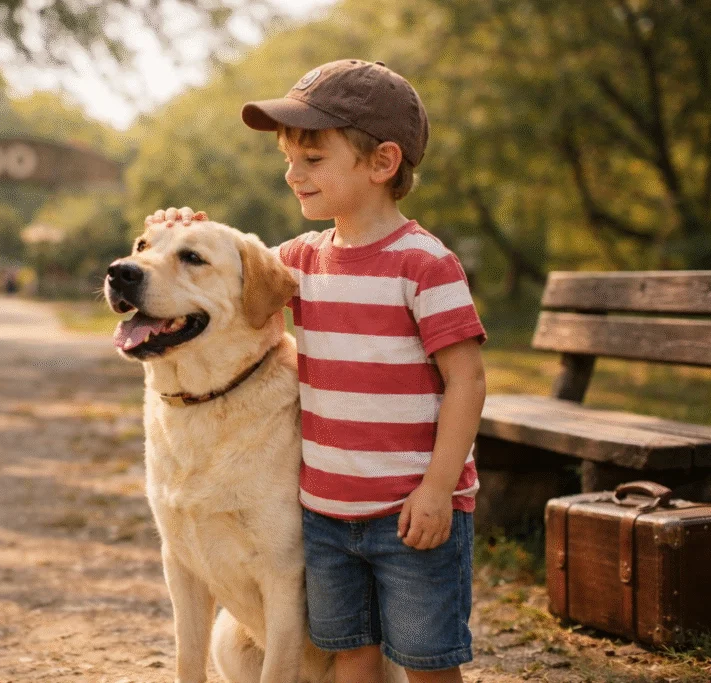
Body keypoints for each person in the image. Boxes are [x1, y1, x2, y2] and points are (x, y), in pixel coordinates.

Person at [150, 59, 487, 683]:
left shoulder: (426, 264)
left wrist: (439, 489)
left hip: (410, 509)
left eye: (312, 159)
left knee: (427, 659)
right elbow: (231, 267)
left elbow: (467, 380)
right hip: (329, 514)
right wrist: (183, 233)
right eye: (288, 158)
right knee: (350, 652)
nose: (292, 174)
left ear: (382, 163)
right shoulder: (301, 261)